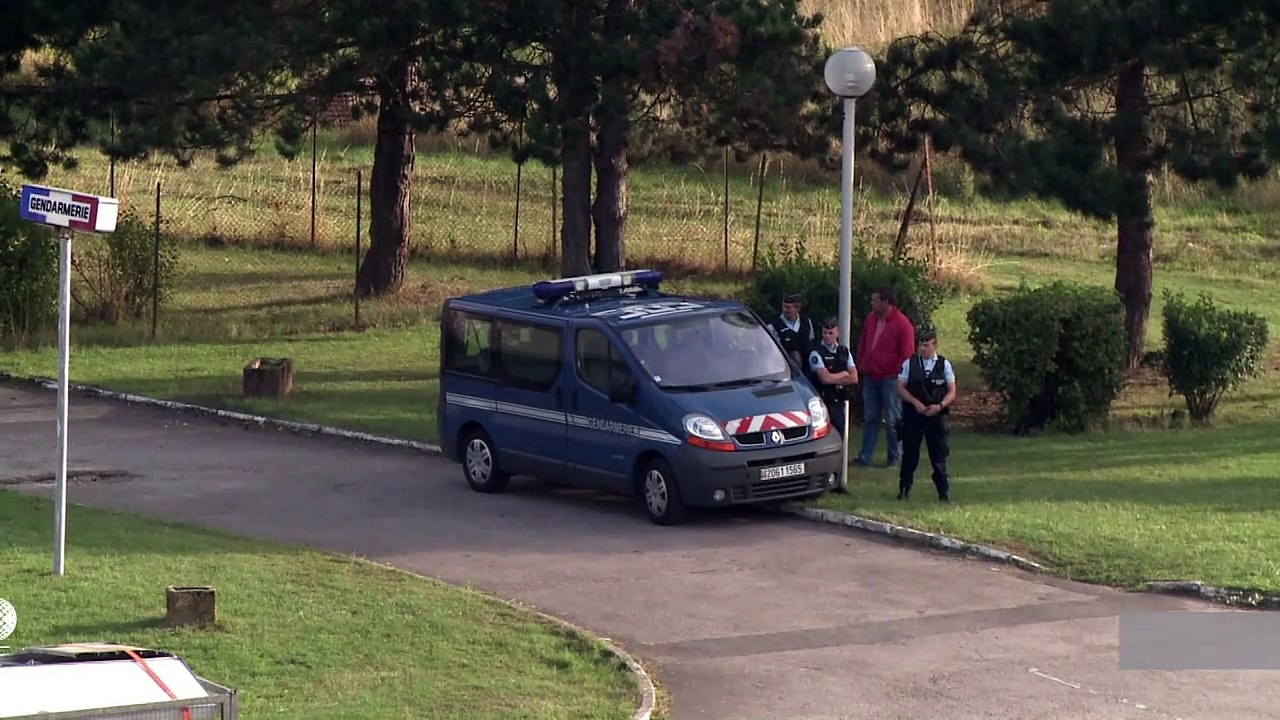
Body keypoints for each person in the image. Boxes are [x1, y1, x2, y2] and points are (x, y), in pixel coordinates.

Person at [855, 286, 915, 468]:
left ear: (885, 302)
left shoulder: (902, 324)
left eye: (875, 300)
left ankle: (894, 456)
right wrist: (863, 363)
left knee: (893, 419)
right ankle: (866, 456)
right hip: (871, 376)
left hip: (890, 378)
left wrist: (897, 374)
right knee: (871, 417)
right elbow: (865, 342)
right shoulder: (871, 319)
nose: (871, 303)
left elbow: (907, 354)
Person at [895, 327, 957, 502]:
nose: (922, 348)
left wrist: (940, 405)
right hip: (914, 416)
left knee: (939, 456)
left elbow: (952, 391)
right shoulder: (910, 364)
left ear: (935, 345)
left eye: (926, 345)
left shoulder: (944, 364)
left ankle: (943, 493)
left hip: (937, 417)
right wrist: (916, 403)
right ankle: (904, 489)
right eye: (921, 345)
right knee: (910, 455)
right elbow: (900, 387)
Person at [808, 317, 858, 442]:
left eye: (830, 333)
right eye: (824, 333)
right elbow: (825, 379)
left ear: (838, 333)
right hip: (824, 402)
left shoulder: (844, 351)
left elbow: (854, 378)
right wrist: (843, 374)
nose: (827, 336)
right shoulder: (816, 353)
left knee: (840, 436)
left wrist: (834, 377)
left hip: (839, 401)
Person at [766, 291, 816, 371]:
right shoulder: (773, 327)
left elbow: (810, 342)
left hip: (809, 372)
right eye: (784, 306)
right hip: (787, 372)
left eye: (789, 307)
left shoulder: (806, 322)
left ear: (798, 308)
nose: (785, 310)